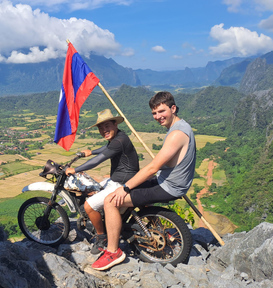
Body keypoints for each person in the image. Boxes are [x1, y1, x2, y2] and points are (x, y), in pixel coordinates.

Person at [91, 91, 196, 271]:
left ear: (173, 108)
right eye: (154, 113)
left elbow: (153, 168)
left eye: (161, 111)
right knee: (131, 188)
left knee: (110, 201)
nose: (158, 117)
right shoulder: (182, 126)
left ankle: (113, 251)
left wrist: (125, 187)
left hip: (169, 186)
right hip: (168, 181)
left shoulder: (176, 134)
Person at [65, 109, 140, 254]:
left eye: (107, 126)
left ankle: (101, 236)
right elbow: (107, 148)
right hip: (119, 180)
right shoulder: (119, 137)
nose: (104, 130)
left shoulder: (119, 141)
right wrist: (91, 152)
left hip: (121, 183)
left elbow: (98, 161)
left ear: (115, 124)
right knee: (94, 188)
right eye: (100, 127)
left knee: (89, 206)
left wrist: (75, 170)